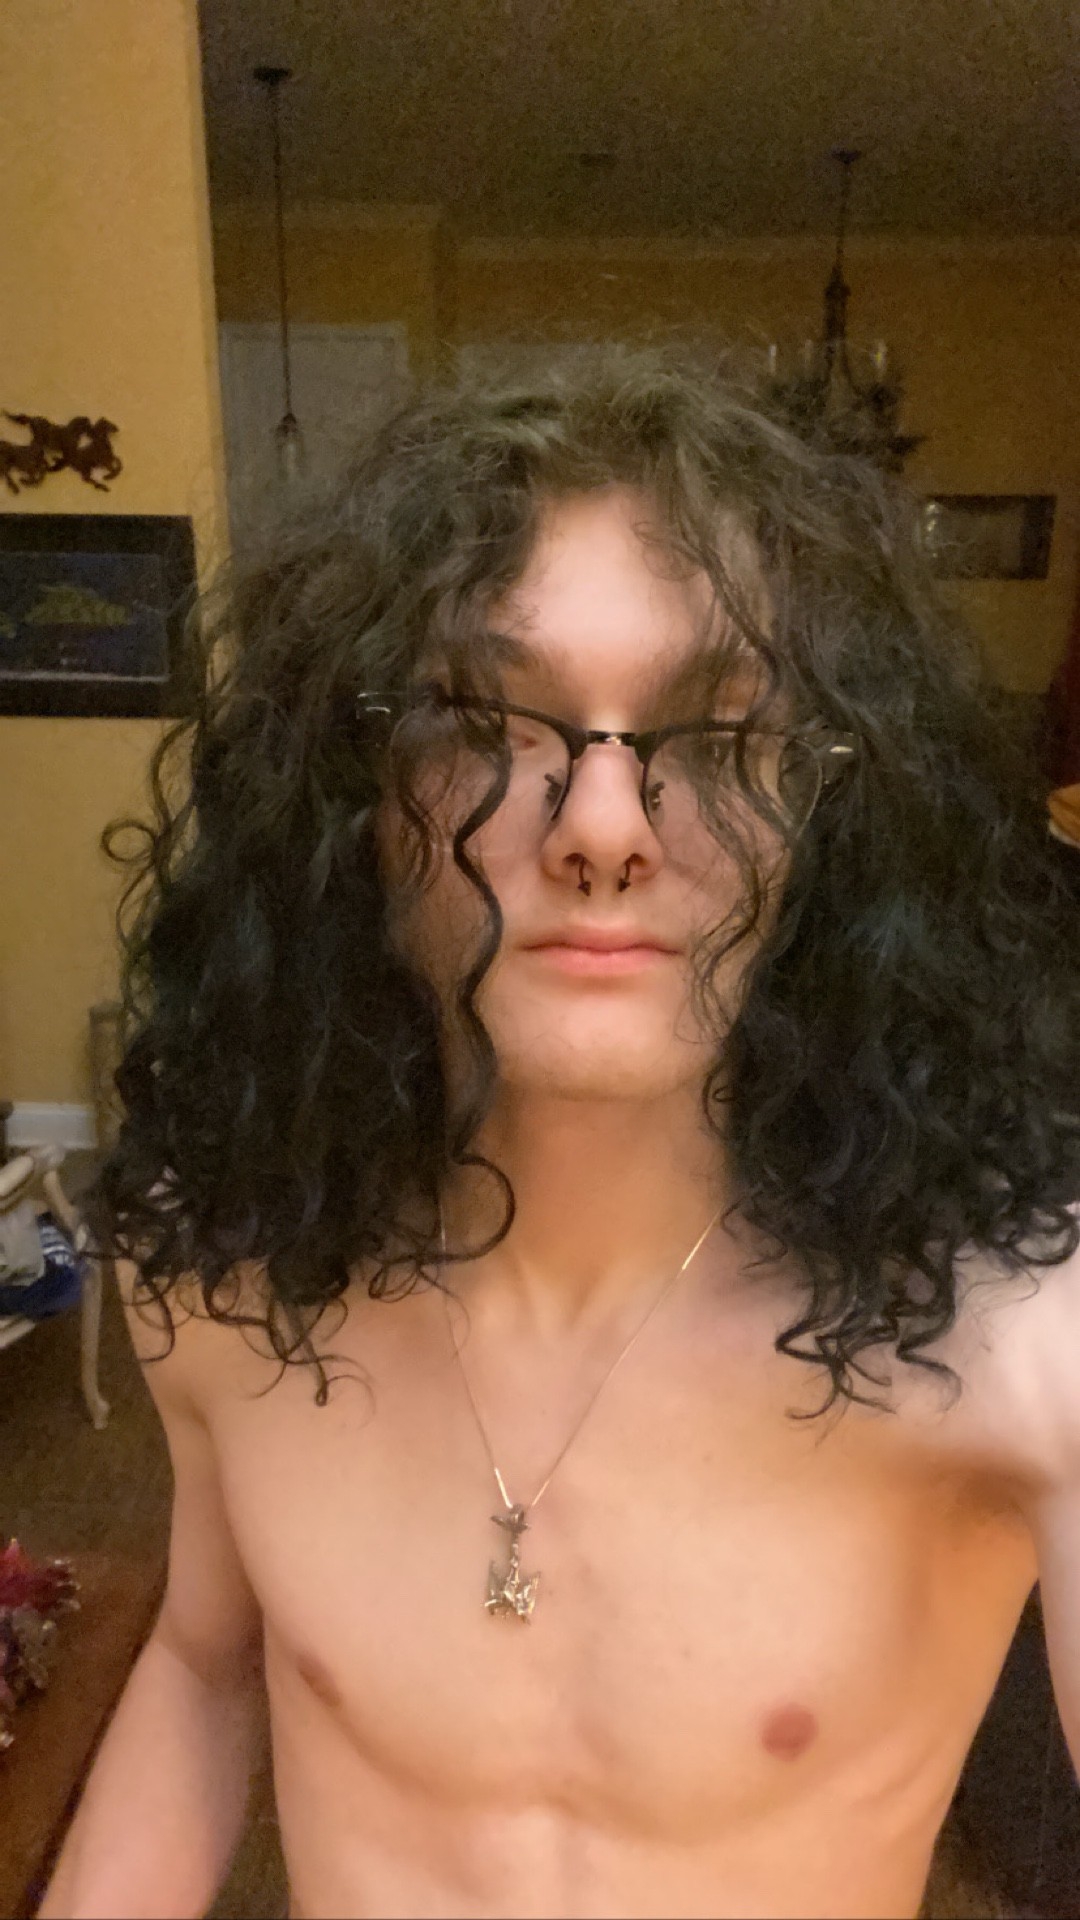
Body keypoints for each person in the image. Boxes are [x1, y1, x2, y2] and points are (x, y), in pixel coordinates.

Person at [42, 344, 1080, 1920]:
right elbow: (201, 1665)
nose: (603, 826)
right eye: (484, 721)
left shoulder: (1020, 1342)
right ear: (351, 799)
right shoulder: (224, 1273)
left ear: (836, 814)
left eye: (719, 735)